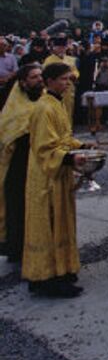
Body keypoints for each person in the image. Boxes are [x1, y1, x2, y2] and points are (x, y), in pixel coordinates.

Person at [22, 62, 95, 298]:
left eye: (69, 79)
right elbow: (44, 147)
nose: (68, 83)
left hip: (57, 172)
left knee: (61, 221)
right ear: (50, 80)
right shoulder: (44, 107)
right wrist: (70, 158)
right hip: (45, 176)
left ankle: (63, 270)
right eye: (64, 79)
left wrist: (81, 146)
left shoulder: (57, 103)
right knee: (49, 223)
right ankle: (47, 277)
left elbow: (63, 137)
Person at [0, 63, 44, 263]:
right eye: (34, 77)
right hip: (19, 164)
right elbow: (8, 134)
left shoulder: (44, 101)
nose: (39, 80)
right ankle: (16, 248)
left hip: (41, 162)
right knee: (18, 206)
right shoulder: (15, 107)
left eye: (40, 76)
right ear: (23, 82)